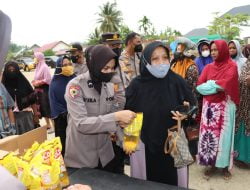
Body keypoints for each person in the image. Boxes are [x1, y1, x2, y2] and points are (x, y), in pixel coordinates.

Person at [125, 41, 196, 187]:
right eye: (155, 59)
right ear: (146, 61)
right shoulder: (136, 85)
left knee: (173, 183)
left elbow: (193, 105)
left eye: (164, 57)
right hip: (145, 143)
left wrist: (186, 114)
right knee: (147, 184)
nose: (161, 63)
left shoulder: (177, 81)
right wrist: (130, 141)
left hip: (174, 142)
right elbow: (130, 114)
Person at [64, 45, 136, 171]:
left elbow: (115, 113)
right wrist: (116, 117)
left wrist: (123, 140)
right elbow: (81, 123)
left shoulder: (109, 84)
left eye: (112, 68)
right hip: (81, 156)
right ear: (94, 65)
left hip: (105, 154)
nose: (109, 72)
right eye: (105, 68)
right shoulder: (75, 86)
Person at [196, 40, 239, 180]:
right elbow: (199, 86)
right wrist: (216, 85)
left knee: (225, 138)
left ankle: (225, 167)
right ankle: (211, 164)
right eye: (211, 50)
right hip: (209, 110)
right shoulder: (208, 67)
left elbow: (228, 84)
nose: (213, 52)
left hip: (226, 108)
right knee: (210, 137)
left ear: (223, 50)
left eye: (216, 50)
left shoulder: (232, 66)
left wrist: (210, 84)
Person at [101, 32, 127, 174]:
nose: (116, 48)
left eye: (118, 45)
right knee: (111, 163)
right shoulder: (97, 69)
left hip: (122, 120)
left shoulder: (120, 63)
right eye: (112, 45)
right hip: (108, 123)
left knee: (119, 160)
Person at [2, 61, 40, 134]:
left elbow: (32, 100)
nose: (12, 72)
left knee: (31, 140)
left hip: (26, 116)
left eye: (13, 70)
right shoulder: (3, 86)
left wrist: (35, 115)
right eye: (9, 70)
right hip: (11, 120)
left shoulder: (24, 83)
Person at [49, 56, 75, 156]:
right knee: (63, 143)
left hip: (76, 116)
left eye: (69, 64)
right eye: (64, 65)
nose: (68, 67)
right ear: (59, 67)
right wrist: (64, 112)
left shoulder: (75, 79)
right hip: (62, 118)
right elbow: (53, 102)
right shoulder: (55, 83)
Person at [234, 44, 250, 168]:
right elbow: (242, 80)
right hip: (245, 104)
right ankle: (242, 158)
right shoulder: (247, 64)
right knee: (243, 129)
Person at [33, 52, 53, 131]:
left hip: (44, 90)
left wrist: (39, 82)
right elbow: (36, 77)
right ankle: (48, 125)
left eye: (35, 57)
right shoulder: (38, 67)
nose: (34, 59)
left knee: (47, 107)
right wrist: (34, 82)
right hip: (38, 90)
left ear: (39, 57)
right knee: (42, 108)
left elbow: (48, 79)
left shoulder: (44, 67)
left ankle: (53, 126)